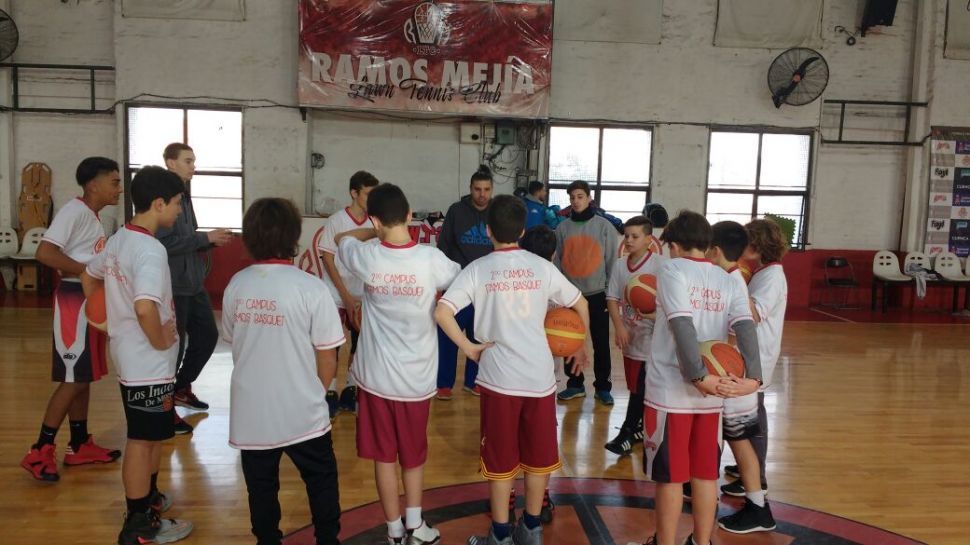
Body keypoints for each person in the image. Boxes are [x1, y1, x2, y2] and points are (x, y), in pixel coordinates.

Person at [435, 195, 590, 545]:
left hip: (499, 381)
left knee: (501, 461)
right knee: (538, 459)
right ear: (522, 231)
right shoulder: (542, 267)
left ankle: (501, 534)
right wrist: (582, 345)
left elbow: (442, 312)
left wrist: (468, 348)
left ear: (488, 230)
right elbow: (580, 302)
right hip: (539, 379)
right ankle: (531, 529)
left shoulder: (477, 269)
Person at [336, 183, 459, 545]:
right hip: (416, 379)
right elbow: (461, 277)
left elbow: (342, 238)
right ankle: (415, 526)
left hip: (375, 378)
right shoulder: (432, 260)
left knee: (384, 458)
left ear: (375, 220)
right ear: (409, 215)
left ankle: (393, 531)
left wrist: (370, 231)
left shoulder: (366, 256)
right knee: (413, 456)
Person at [630, 210, 762, 545]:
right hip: (714, 393)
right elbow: (745, 326)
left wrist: (698, 377)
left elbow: (681, 323)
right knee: (705, 475)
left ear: (673, 245)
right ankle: (701, 542)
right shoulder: (727, 277)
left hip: (672, 392)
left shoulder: (671, 269)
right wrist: (754, 378)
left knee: (671, 478)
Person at [222, 198, 345, 545]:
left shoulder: (236, 285)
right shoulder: (312, 288)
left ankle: (267, 540)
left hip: (252, 410)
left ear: (250, 236)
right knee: (321, 479)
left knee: (260, 486)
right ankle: (327, 539)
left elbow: (234, 342)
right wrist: (314, 393)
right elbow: (328, 358)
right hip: (302, 409)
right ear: (293, 236)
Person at [82, 166, 193, 545]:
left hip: (137, 359)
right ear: (159, 203)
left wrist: (104, 314)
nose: (179, 210)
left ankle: (149, 499)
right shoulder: (150, 250)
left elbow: (90, 275)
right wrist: (160, 341)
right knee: (142, 440)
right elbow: (145, 307)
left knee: (152, 438)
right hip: (147, 363)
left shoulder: (121, 239)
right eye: (177, 203)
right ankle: (138, 525)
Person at [20, 157, 123, 482]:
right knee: (73, 378)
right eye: (114, 182)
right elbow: (45, 253)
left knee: (83, 376)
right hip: (73, 300)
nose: (119, 188)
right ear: (93, 185)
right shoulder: (74, 211)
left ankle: (79, 444)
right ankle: (40, 450)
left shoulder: (92, 216)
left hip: (87, 298)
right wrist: (86, 271)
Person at [717, 219, 789, 534]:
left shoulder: (772, 276)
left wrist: (731, 276)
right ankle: (751, 477)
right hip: (751, 356)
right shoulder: (763, 272)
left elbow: (753, 314)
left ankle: (757, 483)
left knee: (748, 423)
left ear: (757, 246)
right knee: (749, 420)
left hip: (755, 358)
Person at [158, 142, 233, 435]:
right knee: (173, 348)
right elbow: (164, 243)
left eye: (194, 161)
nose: (193, 166)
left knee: (207, 336)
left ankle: (180, 387)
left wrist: (209, 242)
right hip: (174, 285)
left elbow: (187, 237)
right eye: (187, 161)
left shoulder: (185, 196)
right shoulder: (162, 198)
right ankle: (165, 412)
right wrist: (204, 239)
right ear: (170, 162)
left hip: (193, 283)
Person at [680, 221, 748, 502]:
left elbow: (738, 330)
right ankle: (698, 481)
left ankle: (752, 496)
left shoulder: (732, 281)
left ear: (714, 250)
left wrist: (719, 365)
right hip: (721, 374)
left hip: (726, 374)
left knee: (727, 436)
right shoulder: (725, 277)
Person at [317, 170, 380, 415]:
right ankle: (330, 390)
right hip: (335, 293)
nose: (371, 199)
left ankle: (352, 388)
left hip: (363, 294)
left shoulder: (375, 222)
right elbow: (328, 259)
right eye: (368, 194)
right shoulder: (336, 220)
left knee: (360, 344)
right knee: (331, 345)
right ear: (354, 193)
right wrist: (345, 295)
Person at [604, 216, 666, 456]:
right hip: (630, 335)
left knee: (641, 386)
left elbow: (670, 304)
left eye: (635, 236)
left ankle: (627, 433)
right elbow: (612, 298)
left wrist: (654, 316)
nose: (629, 240)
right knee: (636, 386)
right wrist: (619, 326)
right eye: (626, 236)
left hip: (652, 338)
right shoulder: (620, 265)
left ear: (649, 240)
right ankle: (638, 427)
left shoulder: (661, 266)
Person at [554, 180, 618, 404]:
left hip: (598, 293)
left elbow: (612, 261)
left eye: (580, 196)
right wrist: (560, 292)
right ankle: (575, 384)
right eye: (572, 197)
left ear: (589, 198)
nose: (576, 201)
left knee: (601, 343)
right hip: (571, 296)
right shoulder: (562, 228)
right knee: (569, 340)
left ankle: (603, 387)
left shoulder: (604, 227)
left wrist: (610, 292)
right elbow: (558, 262)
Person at [515, 224, 562, 524]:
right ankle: (541, 499)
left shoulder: (508, 278)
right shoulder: (554, 280)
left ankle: (506, 496)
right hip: (543, 376)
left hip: (506, 373)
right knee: (541, 442)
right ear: (553, 254)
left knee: (507, 440)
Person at [434, 165, 494, 400]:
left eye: (486, 189)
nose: (482, 194)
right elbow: (444, 246)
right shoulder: (456, 211)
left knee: (480, 335)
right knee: (448, 334)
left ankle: (474, 381)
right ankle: (443, 383)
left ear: (492, 190)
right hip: (457, 285)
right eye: (478, 189)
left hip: (487, 286)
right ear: (470, 188)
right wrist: (442, 282)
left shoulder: (497, 212)